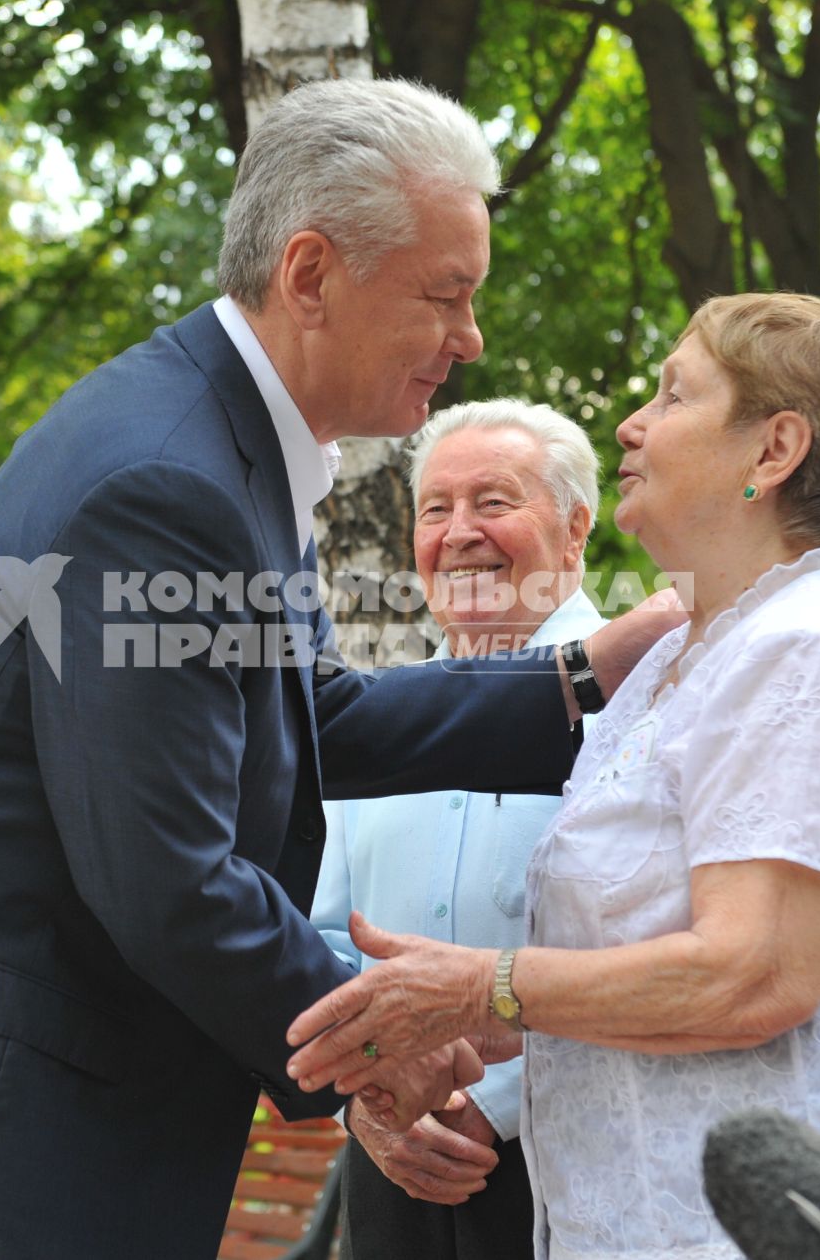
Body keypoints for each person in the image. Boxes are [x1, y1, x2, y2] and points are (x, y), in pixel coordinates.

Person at [0, 78, 682, 1260]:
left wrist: (582, 673)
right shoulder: (166, 486)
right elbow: (166, 877)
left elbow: (320, 715)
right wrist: (379, 1044)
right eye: (447, 294)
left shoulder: (231, 450)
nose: (470, 339)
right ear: (313, 273)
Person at [284, 292, 820, 1259]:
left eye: (674, 396)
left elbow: (750, 973)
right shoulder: (682, 665)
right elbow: (635, 964)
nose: (632, 424)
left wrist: (480, 989)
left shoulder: (810, 648)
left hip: (802, 1218)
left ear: (773, 451)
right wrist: (434, 1040)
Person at [311, 399, 604, 1259]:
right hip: (388, 1162)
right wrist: (363, 1096)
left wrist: (492, 1098)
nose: (460, 532)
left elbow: (660, 939)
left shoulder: (642, 701)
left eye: (495, 502)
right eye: (435, 509)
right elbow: (322, 930)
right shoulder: (374, 718)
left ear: (576, 530)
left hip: (580, 1159)